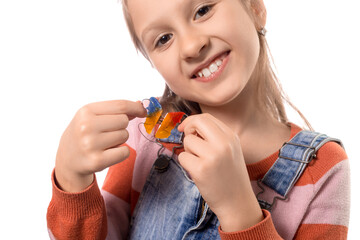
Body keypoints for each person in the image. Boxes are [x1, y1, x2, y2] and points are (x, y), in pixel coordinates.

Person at [47, 0, 350, 239]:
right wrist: (72, 180)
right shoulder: (143, 140)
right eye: (164, 38)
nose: (192, 46)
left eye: (203, 10)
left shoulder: (322, 170)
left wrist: (240, 212)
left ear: (255, 7)